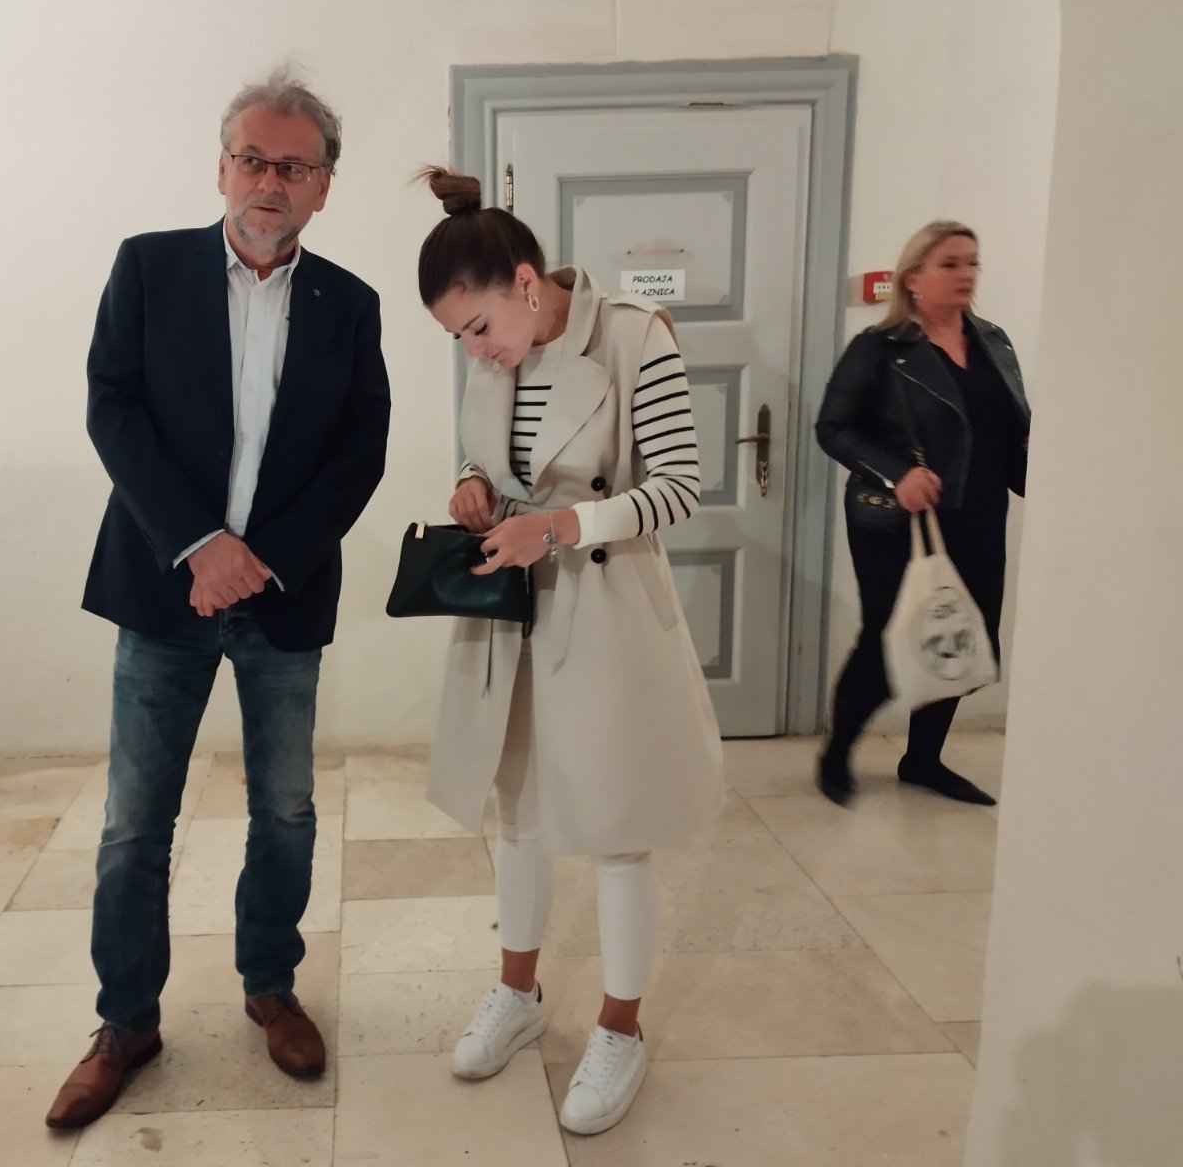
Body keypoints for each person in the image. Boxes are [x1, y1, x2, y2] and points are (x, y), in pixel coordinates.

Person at [46, 69, 391, 1130]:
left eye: (293, 166)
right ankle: (125, 1022)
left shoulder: (351, 304)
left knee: (283, 809)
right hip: (165, 589)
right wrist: (199, 547)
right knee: (134, 822)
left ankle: (270, 985)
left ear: (324, 186)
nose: (269, 181)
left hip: (282, 597)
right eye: (252, 159)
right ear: (221, 168)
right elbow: (113, 408)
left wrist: (260, 559)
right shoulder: (148, 269)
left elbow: (359, 454)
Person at [413, 167, 724, 1136]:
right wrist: (472, 483)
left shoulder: (632, 334)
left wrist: (557, 526)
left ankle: (620, 1030)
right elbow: (496, 454)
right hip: (511, 604)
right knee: (515, 812)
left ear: (524, 281)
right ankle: (518, 994)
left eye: (478, 327)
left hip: (605, 601)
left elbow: (681, 486)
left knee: (616, 826)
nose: (476, 350)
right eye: (459, 338)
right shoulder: (495, 350)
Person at [815, 220, 1030, 807]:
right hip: (897, 519)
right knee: (890, 636)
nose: (966, 274)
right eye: (950, 264)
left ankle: (923, 760)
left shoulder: (994, 341)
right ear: (913, 278)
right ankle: (836, 754)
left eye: (972, 262)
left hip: (979, 512)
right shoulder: (880, 349)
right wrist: (898, 472)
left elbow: (1009, 427)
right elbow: (833, 428)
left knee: (962, 636)